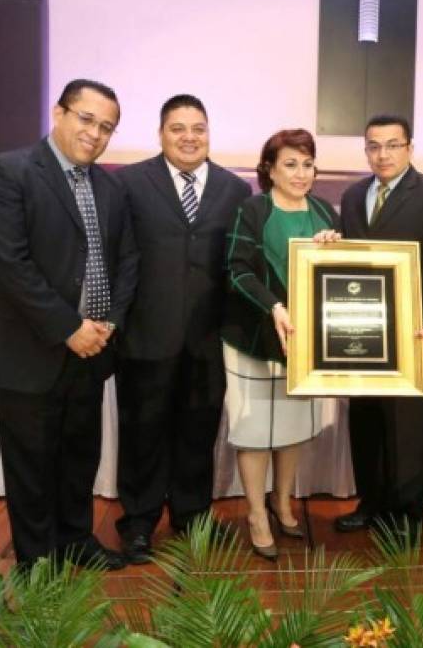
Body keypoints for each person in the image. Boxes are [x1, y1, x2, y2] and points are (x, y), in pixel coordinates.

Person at [0, 79, 139, 571]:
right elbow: (10, 262)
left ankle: (76, 540)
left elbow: (127, 260)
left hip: (93, 348)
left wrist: (107, 323)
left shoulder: (109, 186)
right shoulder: (10, 172)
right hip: (29, 349)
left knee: (79, 456)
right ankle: (37, 561)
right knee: (31, 465)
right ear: (58, 113)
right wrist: (68, 327)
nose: (95, 133)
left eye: (107, 127)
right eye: (86, 119)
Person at [114, 94, 251, 564]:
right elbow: (119, 257)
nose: (189, 137)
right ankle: (138, 523)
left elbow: (241, 262)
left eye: (198, 128)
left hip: (207, 339)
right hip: (144, 336)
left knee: (198, 433)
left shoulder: (235, 189)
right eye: (178, 128)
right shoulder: (130, 182)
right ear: (160, 133)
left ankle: (193, 517)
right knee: (142, 434)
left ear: (209, 132)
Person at [332, 114, 423, 537]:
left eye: (392, 144)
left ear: (409, 147)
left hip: (415, 337)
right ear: (366, 149)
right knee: (366, 423)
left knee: (410, 430)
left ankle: (407, 516)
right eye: (374, 145)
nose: (382, 153)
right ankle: (371, 503)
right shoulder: (352, 197)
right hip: (364, 335)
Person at [221, 129, 340, 560]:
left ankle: (283, 502)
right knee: (255, 432)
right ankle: (255, 513)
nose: (301, 173)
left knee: (292, 430)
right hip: (253, 339)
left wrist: (335, 249)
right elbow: (236, 270)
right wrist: (273, 305)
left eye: (308, 164)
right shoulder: (253, 209)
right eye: (290, 164)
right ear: (269, 168)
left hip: (305, 343)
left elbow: (339, 276)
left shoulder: (325, 211)